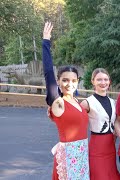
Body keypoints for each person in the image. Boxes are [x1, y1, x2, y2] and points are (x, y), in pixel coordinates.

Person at [42, 22, 90, 179]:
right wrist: (46, 41)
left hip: (82, 156)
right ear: (58, 81)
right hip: (68, 158)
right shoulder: (58, 102)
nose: (69, 84)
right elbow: (48, 71)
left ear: (77, 81)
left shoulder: (77, 101)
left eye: (73, 80)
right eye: (65, 80)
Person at [80, 68, 120, 180]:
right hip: (97, 147)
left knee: (111, 175)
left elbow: (117, 123)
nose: (103, 83)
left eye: (105, 79)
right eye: (99, 80)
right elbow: (74, 117)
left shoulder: (113, 102)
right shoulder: (87, 102)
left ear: (109, 81)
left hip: (111, 146)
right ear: (93, 81)